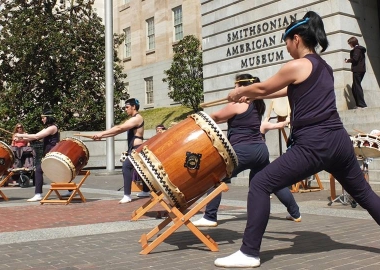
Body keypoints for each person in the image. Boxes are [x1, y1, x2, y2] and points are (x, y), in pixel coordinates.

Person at [214, 11, 380, 268]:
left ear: (297, 38)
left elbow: (263, 87)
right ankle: (249, 251)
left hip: (315, 143)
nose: (287, 48)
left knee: (260, 184)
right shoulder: (322, 66)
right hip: (338, 141)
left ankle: (249, 253)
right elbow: (283, 89)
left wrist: (240, 91)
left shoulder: (297, 64)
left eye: (287, 42)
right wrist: (252, 97)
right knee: (366, 195)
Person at [193, 74, 301, 228]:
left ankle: (210, 216)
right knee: (270, 181)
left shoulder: (238, 104)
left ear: (241, 87)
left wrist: (198, 118)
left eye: (235, 86)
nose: (233, 89)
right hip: (260, 150)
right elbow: (228, 118)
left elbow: (216, 117)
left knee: (215, 177)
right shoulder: (257, 104)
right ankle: (295, 212)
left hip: (242, 150)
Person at [92, 98, 150, 203]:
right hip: (134, 148)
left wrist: (102, 133)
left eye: (127, 107)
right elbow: (117, 132)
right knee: (140, 168)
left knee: (126, 167)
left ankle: (127, 195)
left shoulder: (137, 118)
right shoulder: (133, 118)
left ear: (134, 107)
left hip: (137, 148)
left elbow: (119, 128)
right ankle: (146, 191)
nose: (125, 109)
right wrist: (102, 136)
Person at [14, 110, 60, 202]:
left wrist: (21, 135)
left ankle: (38, 194)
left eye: (43, 118)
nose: (42, 120)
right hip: (48, 153)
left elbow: (36, 137)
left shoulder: (52, 128)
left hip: (52, 153)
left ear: (48, 118)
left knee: (39, 171)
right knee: (57, 171)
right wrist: (22, 137)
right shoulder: (48, 127)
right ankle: (70, 190)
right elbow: (35, 136)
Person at [345, 36, 367, 109]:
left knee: (357, 87)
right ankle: (359, 104)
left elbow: (355, 59)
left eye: (350, 43)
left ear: (352, 43)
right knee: (355, 87)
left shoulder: (357, 50)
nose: (349, 45)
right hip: (361, 70)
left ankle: (361, 104)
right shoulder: (360, 49)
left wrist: (348, 60)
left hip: (357, 70)